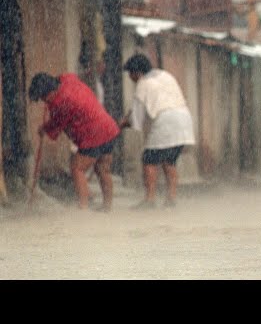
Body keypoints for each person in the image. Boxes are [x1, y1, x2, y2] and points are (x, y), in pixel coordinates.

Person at [28, 72, 121, 212]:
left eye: (44, 98)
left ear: (50, 91)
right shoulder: (67, 80)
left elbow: (56, 125)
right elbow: (66, 76)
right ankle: (107, 207)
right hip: (108, 128)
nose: (44, 101)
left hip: (93, 134)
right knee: (102, 169)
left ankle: (82, 208)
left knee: (77, 168)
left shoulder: (60, 102)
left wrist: (44, 129)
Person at [120, 53, 195, 209]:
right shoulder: (165, 75)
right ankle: (171, 198)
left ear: (137, 72)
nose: (130, 78)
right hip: (184, 118)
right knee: (169, 161)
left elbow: (137, 119)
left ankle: (150, 199)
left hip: (166, 121)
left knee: (149, 159)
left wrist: (124, 123)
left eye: (130, 74)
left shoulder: (143, 84)